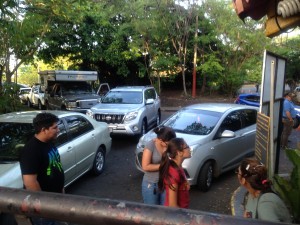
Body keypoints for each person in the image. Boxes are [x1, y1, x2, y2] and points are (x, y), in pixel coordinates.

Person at [20, 112, 65, 225]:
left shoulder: (49, 142)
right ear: (44, 130)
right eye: (55, 127)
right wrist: (44, 206)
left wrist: (61, 190)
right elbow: (30, 183)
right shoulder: (31, 150)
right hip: (44, 208)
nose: (58, 130)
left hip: (56, 200)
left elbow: (56, 165)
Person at [236, 158, 291, 223]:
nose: (237, 174)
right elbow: (249, 213)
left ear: (243, 180)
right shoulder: (251, 194)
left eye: (238, 172)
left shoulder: (265, 205)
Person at [141, 126, 176, 205]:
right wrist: (164, 165)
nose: (170, 145)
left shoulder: (170, 146)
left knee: (164, 211)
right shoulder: (151, 145)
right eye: (168, 143)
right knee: (151, 212)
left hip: (166, 183)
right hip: (151, 184)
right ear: (160, 140)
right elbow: (145, 166)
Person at [158, 138, 191, 208]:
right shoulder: (173, 173)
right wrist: (183, 217)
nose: (189, 148)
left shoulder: (178, 166)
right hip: (178, 216)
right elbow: (172, 205)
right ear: (179, 152)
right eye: (187, 147)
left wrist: (185, 183)